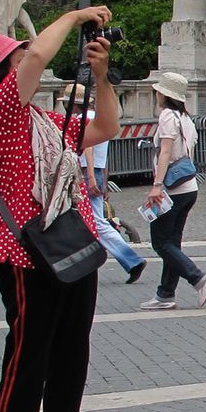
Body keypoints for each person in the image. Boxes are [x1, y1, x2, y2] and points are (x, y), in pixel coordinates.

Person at [0, 7, 117, 412]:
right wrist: (75, 16)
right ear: (1, 75)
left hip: (70, 244)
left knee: (71, 354)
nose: (26, 64)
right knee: (27, 358)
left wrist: (101, 77)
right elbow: (37, 54)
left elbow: (105, 130)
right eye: (15, 61)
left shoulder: (44, 120)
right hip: (25, 253)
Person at [140, 72, 206, 311]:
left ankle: (198, 278)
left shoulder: (166, 116)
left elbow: (165, 151)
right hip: (188, 186)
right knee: (172, 242)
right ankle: (165, 294)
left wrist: (157, 186)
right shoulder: (186, 118)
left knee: (161, 243)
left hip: (171, 188)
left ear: (163, 94)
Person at [59, 83, 146, 284]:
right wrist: (103, 180)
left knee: (95, 221)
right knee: (92, 220)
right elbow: (103, 156)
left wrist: (89, 177)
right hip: (97, 171)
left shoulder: (81, 120)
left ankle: (131, 259)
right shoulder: (98, 119)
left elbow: (86, 148)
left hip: (85, 172)